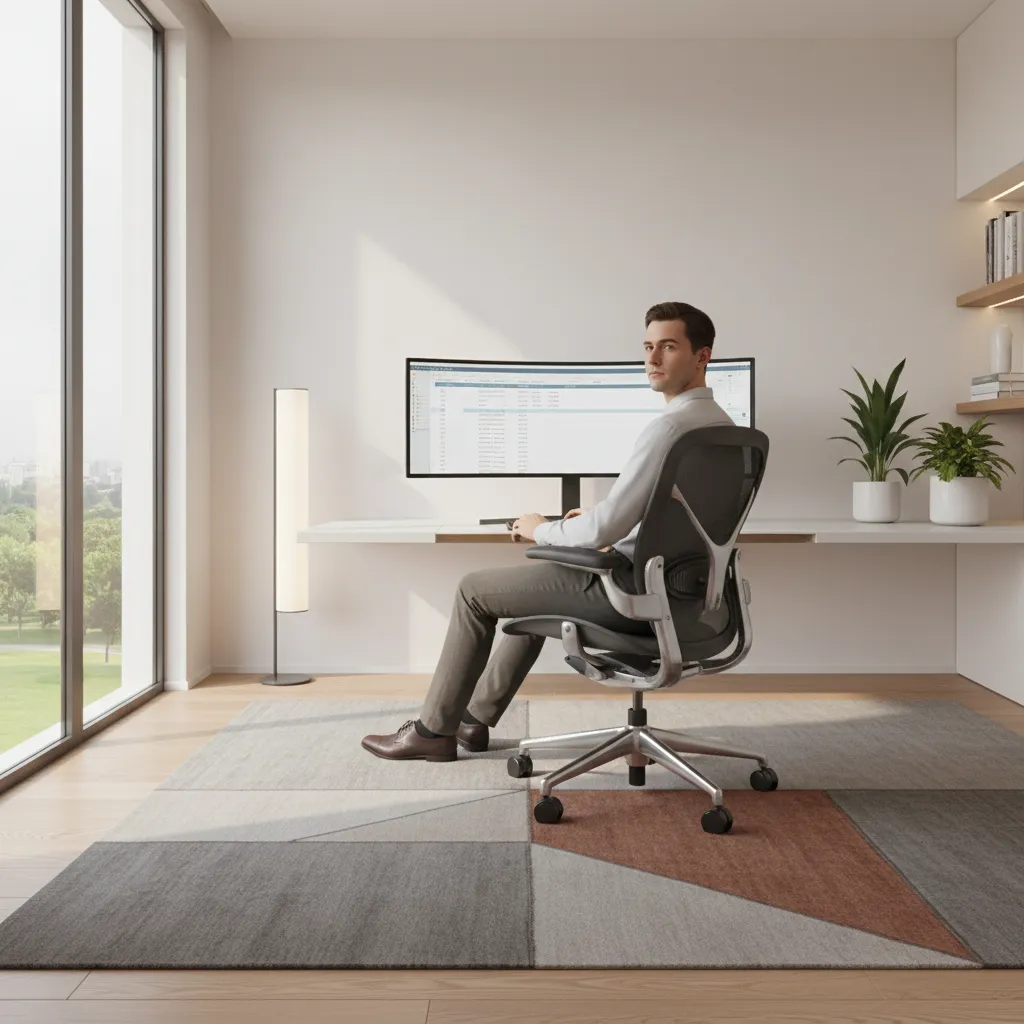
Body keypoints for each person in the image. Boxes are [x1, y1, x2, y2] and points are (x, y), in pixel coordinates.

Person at [361, 301, 735, 762]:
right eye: (647, 347)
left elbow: (608, 525)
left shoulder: (670, 428)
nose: (652, 359)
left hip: (629, 597)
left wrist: (542, 529)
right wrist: (588, 529)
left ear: (702, 357)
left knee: (473, 590)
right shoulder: (723, 428)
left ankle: (432, 731)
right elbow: (660, 521)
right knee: (531, 589)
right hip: (685, 598)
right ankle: (474, 723)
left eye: (669, 346)